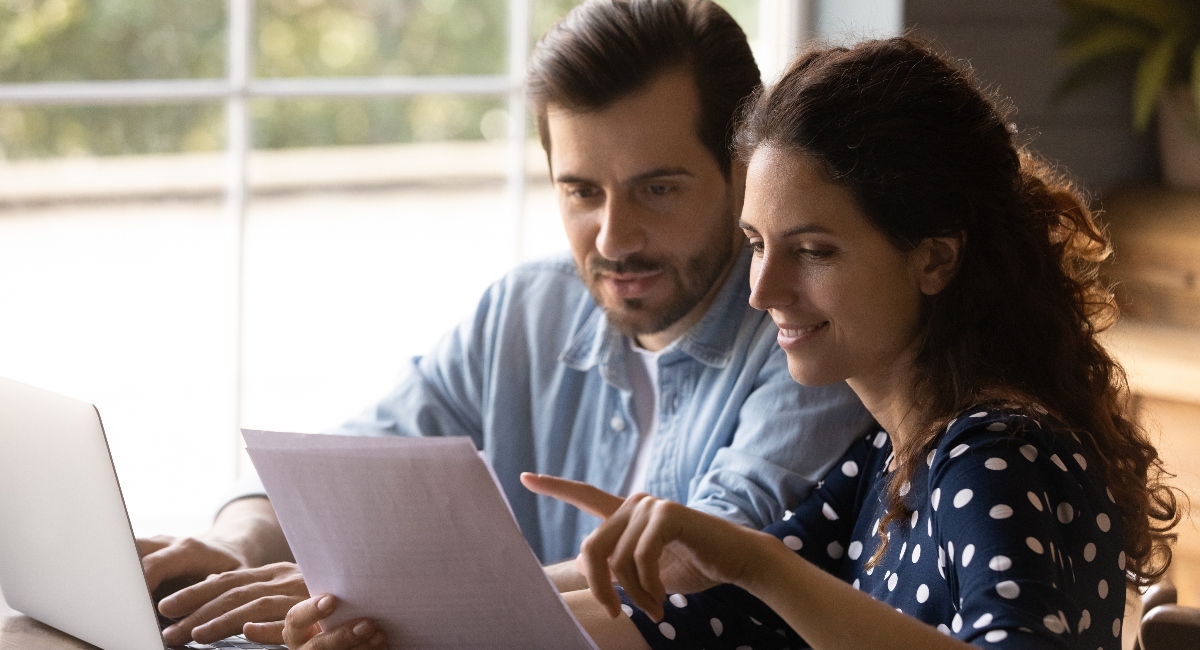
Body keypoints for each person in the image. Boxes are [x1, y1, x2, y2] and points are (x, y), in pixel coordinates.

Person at [281, 36, 1182, 650]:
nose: (763, 291)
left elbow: (756, 584)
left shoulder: (1002, 455)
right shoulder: (890, 456)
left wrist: (748, 562)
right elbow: (698, 620)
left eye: (814, 252)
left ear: (934, 257)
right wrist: (395, 617)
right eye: (758, 246)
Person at [137, 1, 873, 646]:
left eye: (658, 189)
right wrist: (232, 548)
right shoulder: (526, 311)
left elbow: (696, 561)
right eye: (581, 191)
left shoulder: (804, 339)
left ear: (742, 172)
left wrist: (394, 607)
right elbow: (347, 466)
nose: (613, 238)